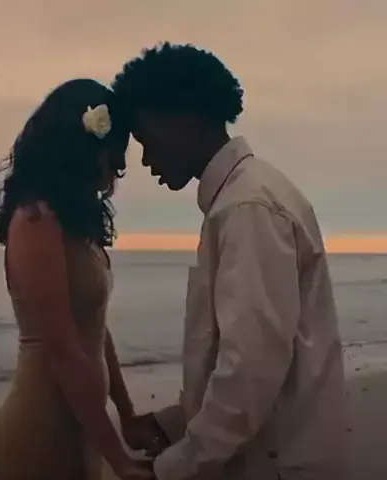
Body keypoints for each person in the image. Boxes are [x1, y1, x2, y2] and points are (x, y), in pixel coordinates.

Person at [113, 43, 347, 480]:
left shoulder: (247, 207)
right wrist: (171, 424)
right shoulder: (245, 197)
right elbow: (249, 359)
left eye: (147, 141)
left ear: (185, 120)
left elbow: (250, 371)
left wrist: (173, 467)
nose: (145, 160)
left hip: (276, 464)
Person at [0, 79, 153, 480]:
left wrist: (126, 414)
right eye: (112, 160)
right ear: (81, 150)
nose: (115, 175)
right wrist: (119, 459)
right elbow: (62, 349)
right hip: (41, 427)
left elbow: (95, 330)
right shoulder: (35, 220)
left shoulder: (75, 226)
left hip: (85, 424)